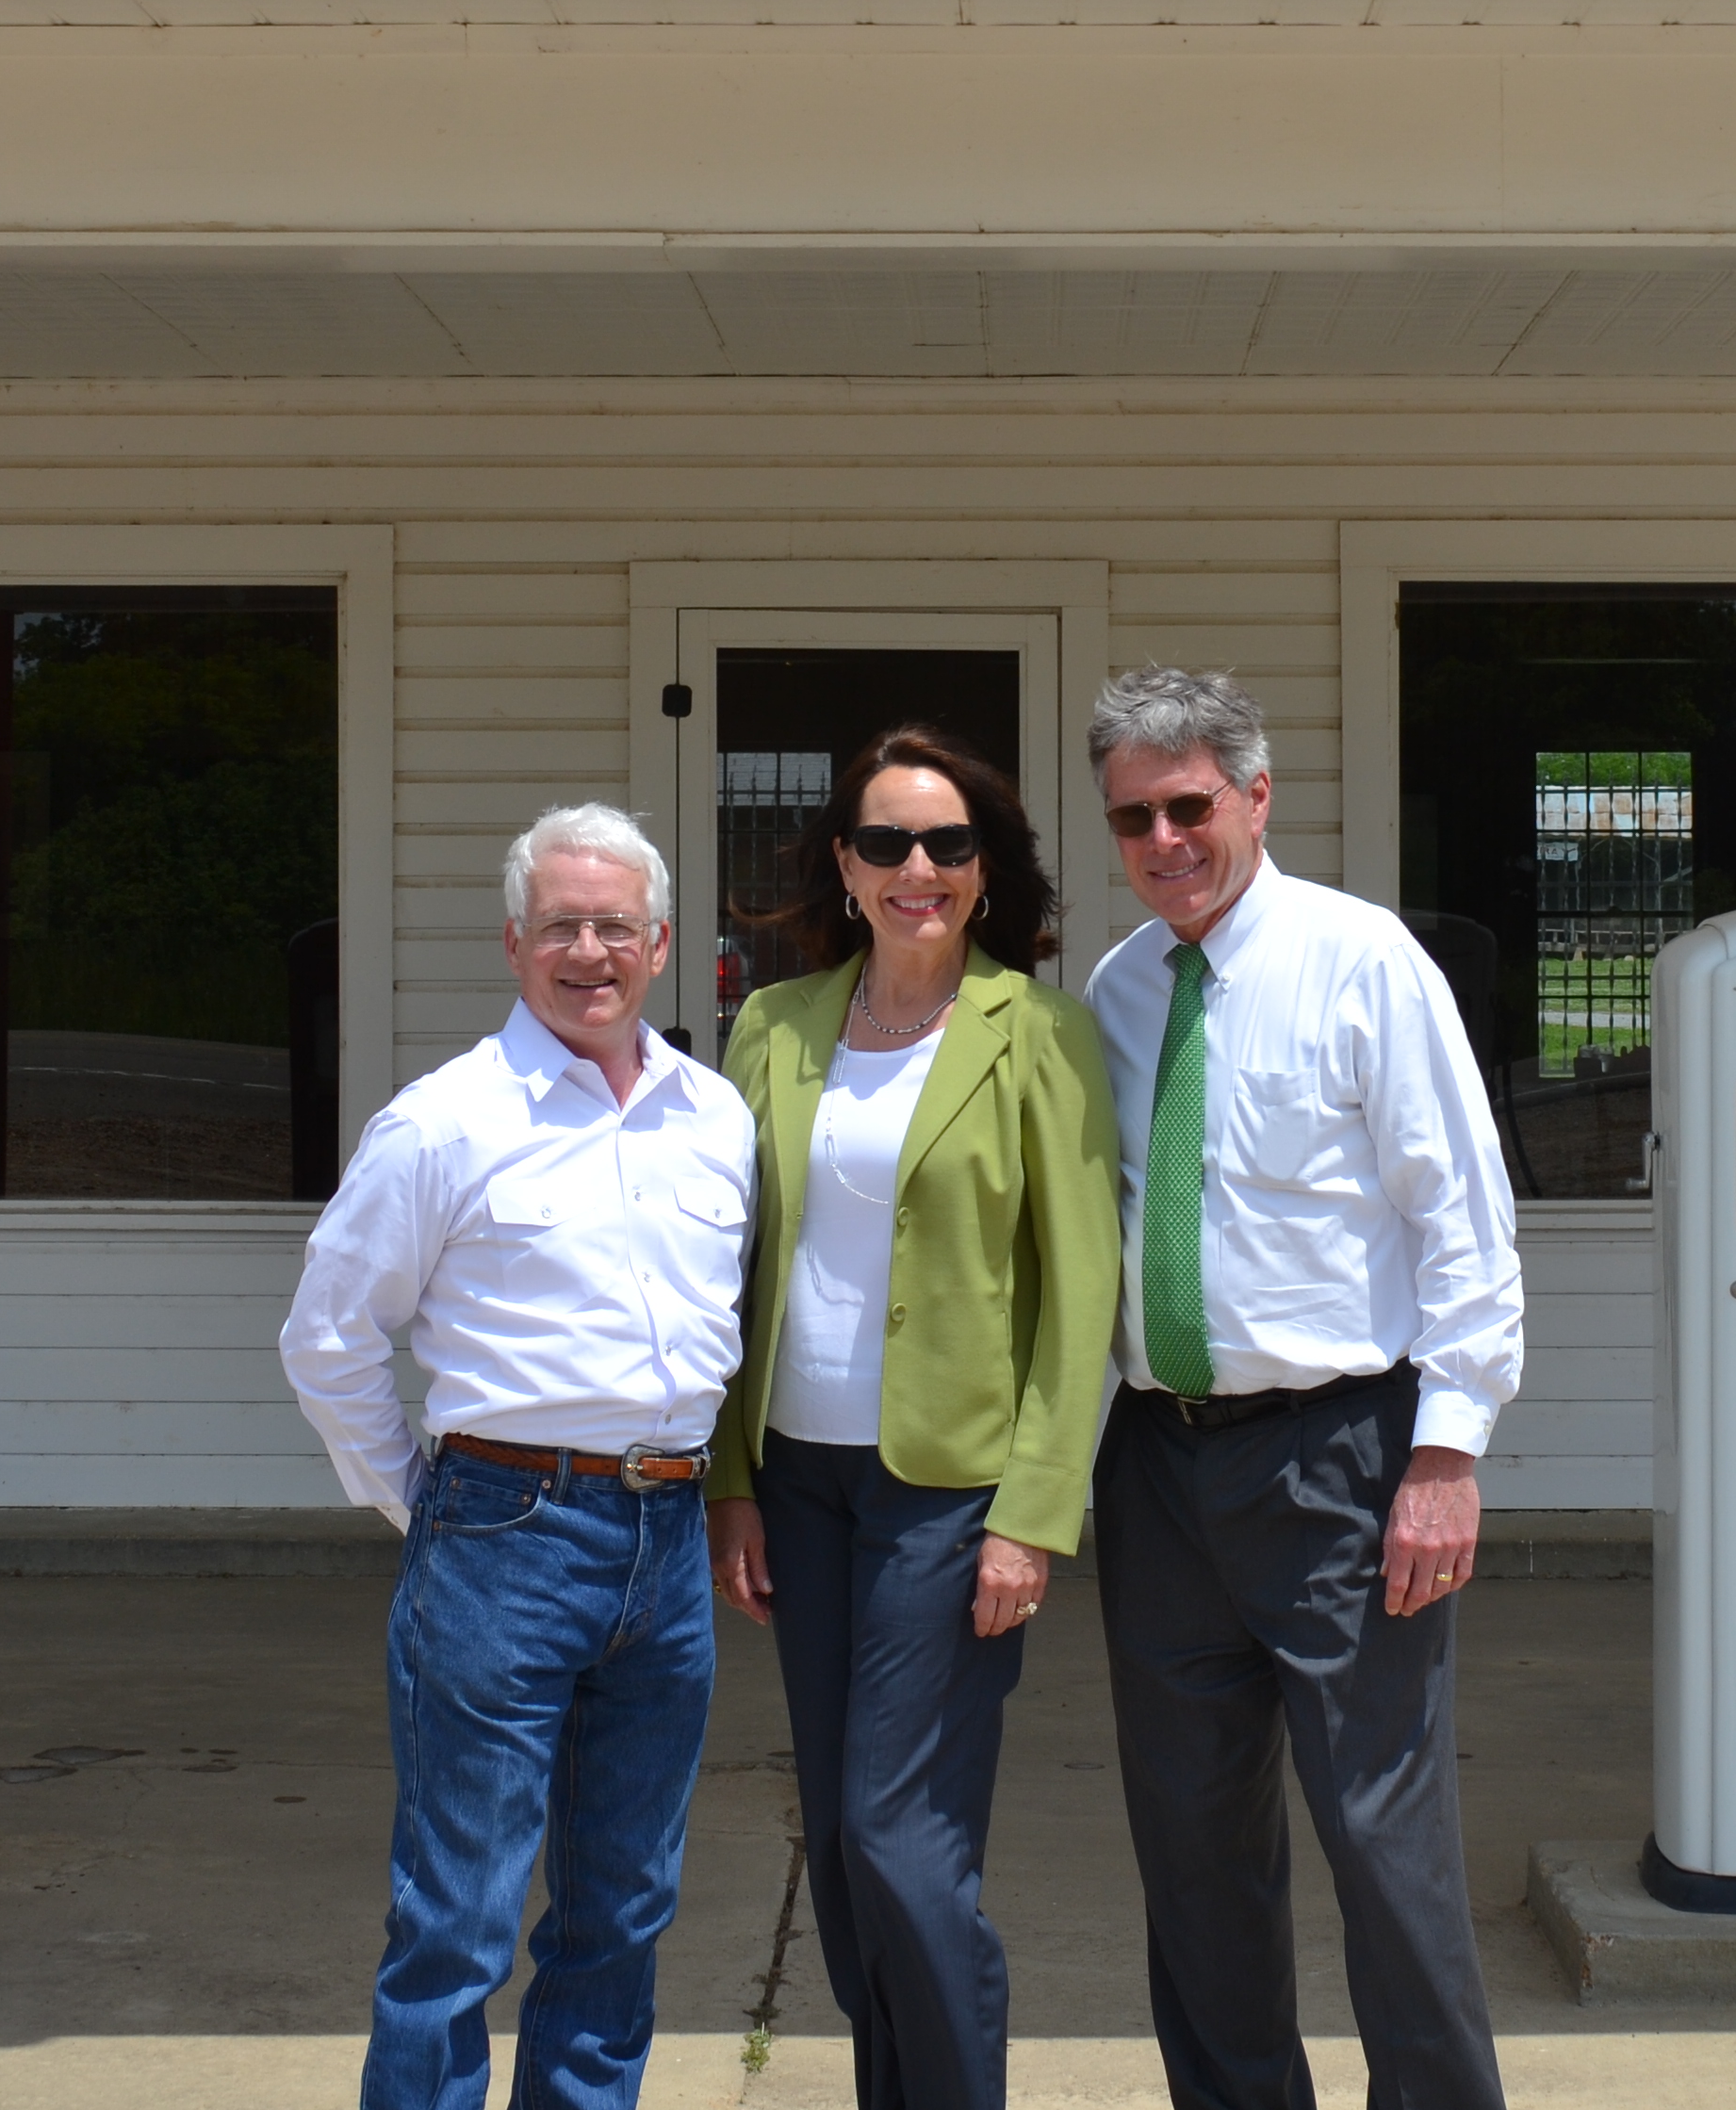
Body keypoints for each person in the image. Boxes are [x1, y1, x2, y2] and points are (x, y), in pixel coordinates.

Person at [1075, 665, 1525, 2110]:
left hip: (1339, 1458)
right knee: (1194, 1859)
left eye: (1189, 806)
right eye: (1134, 817)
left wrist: (1446, 1455)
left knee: (1386, 1848)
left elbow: (1463, 1213)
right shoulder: (1118, 989)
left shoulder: (1363, 959)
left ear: (1256, 797)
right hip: (1159, 1466)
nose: (1164, 842)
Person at [282, 805, 760, 2110]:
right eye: (562, 925)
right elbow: (328, 1339)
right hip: (500, 1538)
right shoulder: (444, 1124)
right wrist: (430, 1505)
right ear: (513, 943)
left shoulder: (714, 1119)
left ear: (663, 945)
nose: (589, 952)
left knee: (622, 1909)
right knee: (457, 1920)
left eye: (615, 926)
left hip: (663, 1553)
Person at [703, 727, 1122, 2110]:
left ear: (987, 872)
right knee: (837, 1836)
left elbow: (1080, 1294)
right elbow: (732, 1261)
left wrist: (1034, 1515)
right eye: (886, 842)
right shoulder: (774, 1026)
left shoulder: (1041, 1034)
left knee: (900, 1832)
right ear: (844, 864)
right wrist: (733, 1480)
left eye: (947, 844)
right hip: (801, 1483)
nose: (917, 869)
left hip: (950, 1496)